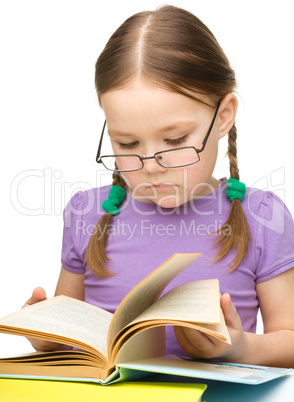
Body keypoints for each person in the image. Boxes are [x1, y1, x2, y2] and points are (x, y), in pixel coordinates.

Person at [24, 5, 294, 366]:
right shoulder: (87, 213)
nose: (152, 167)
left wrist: (240, 346)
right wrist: (47, 335)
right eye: (128, 144)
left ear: (223, 116)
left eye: (175, 140)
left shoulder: (261, 216)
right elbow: (73, 336)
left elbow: (289, 340)